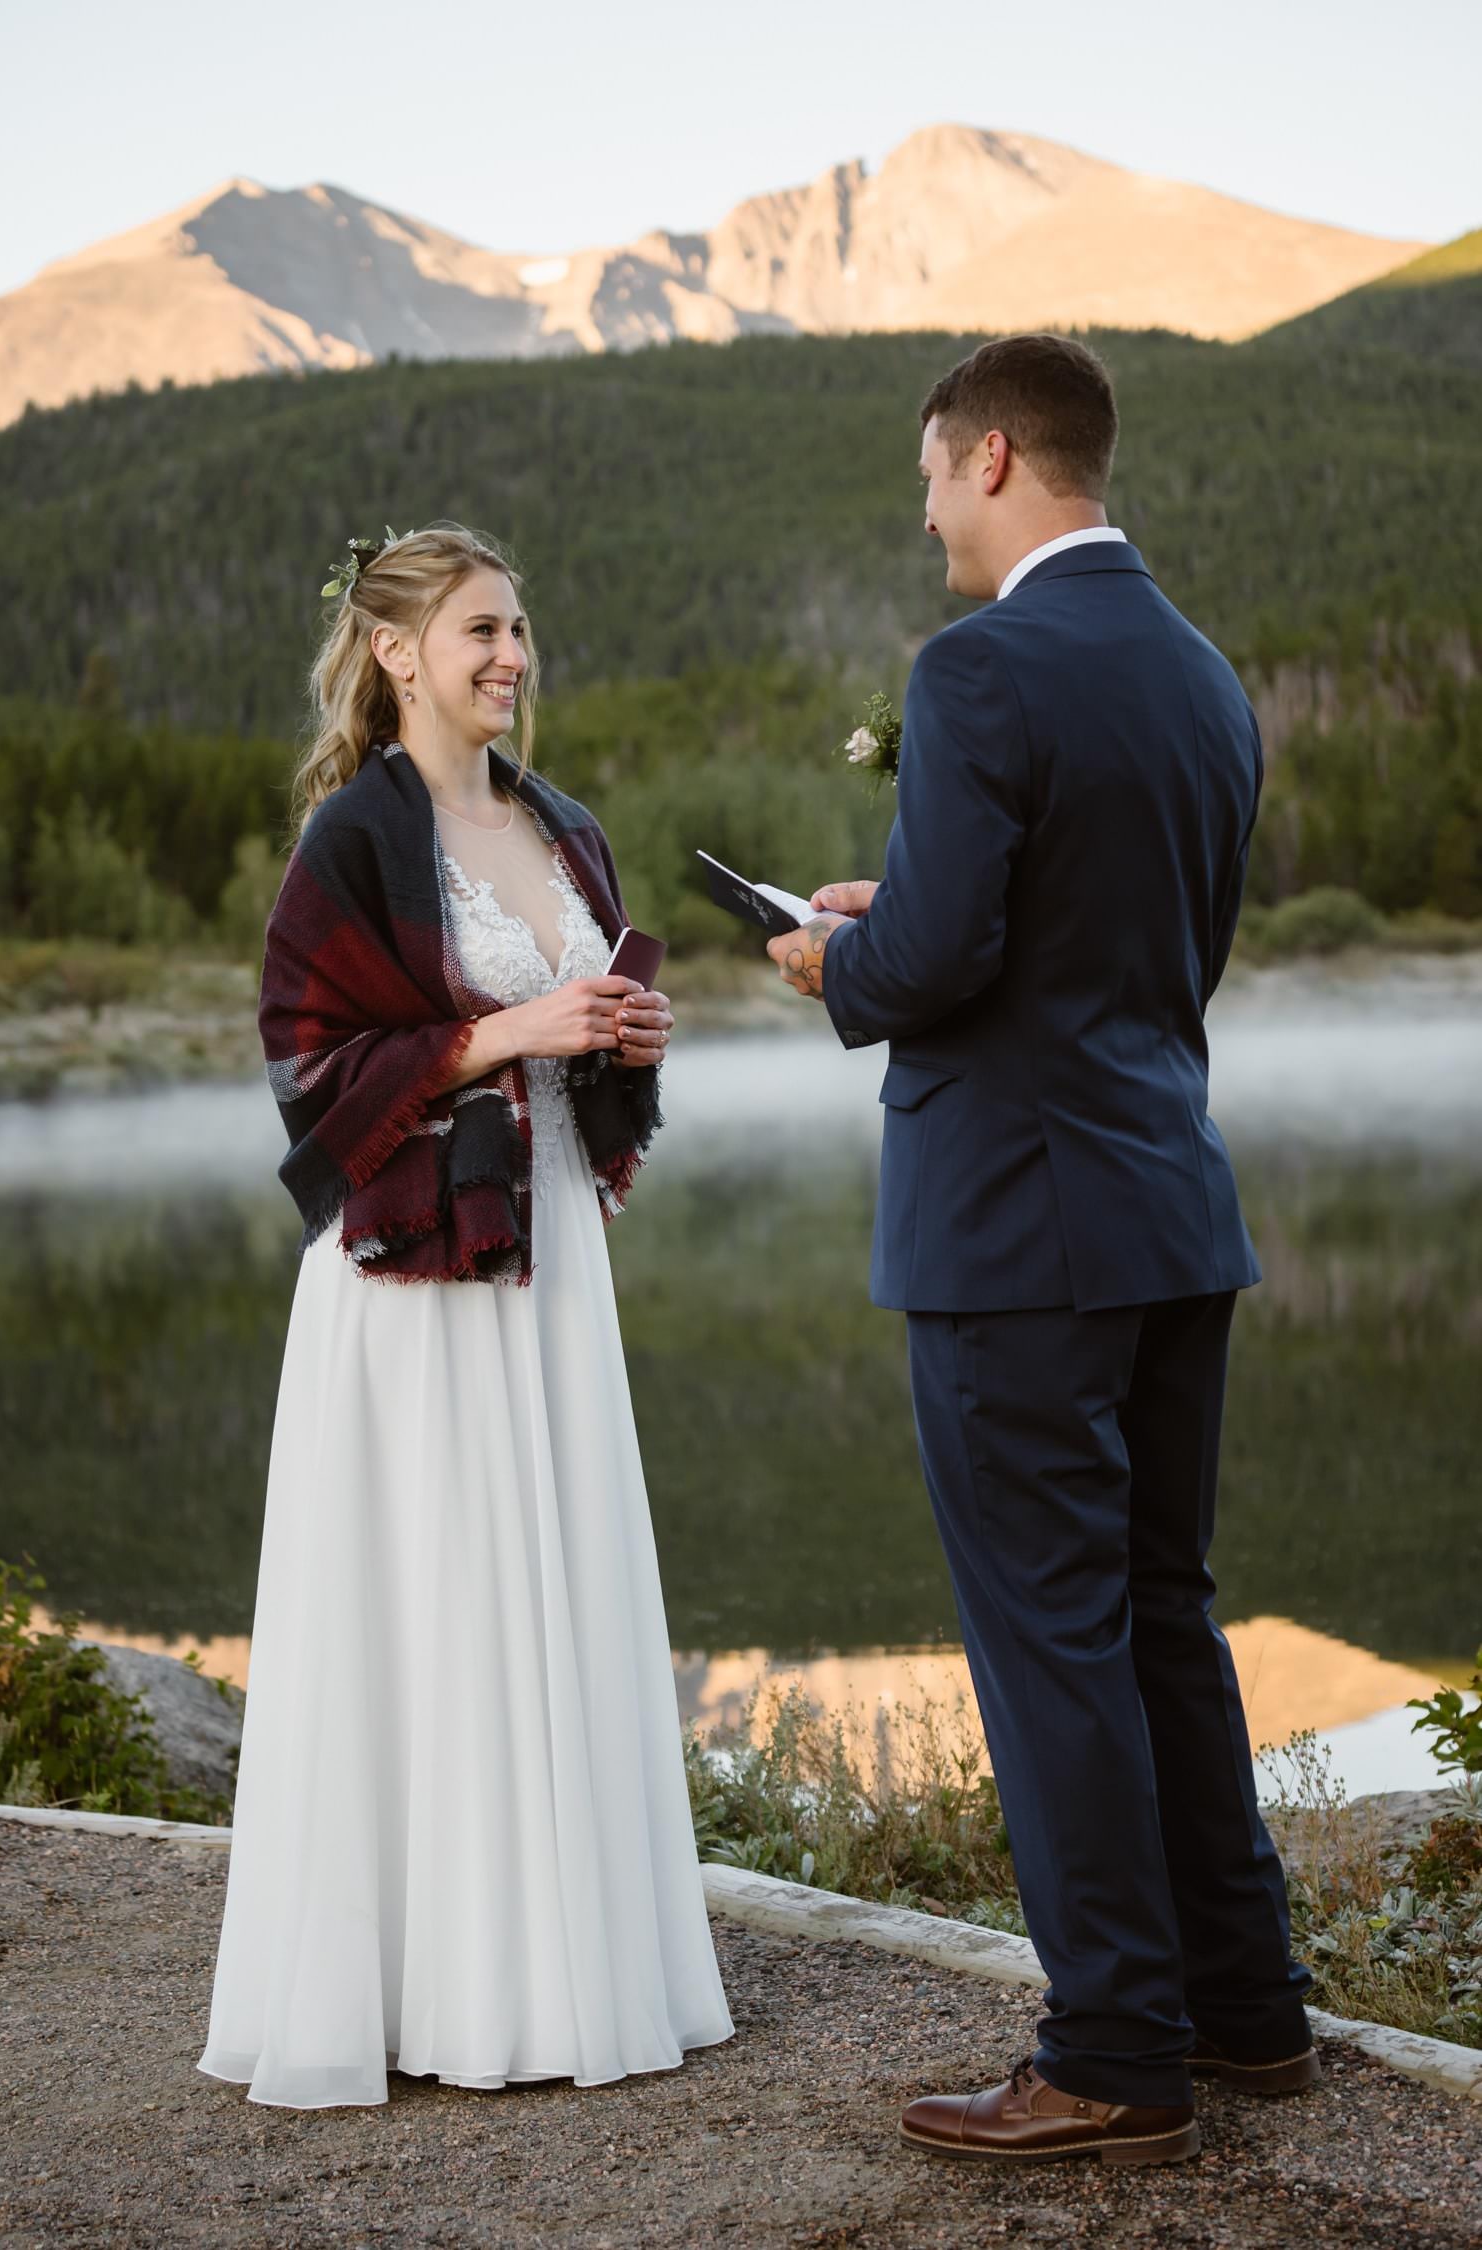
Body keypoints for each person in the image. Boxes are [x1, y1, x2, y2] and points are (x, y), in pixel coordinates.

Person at [767, 336, 1315, 2167]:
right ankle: (1243, 2012)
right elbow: (1126, 942)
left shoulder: (983, 663)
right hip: (1168, 1200)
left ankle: (1110, 2057)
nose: (924, 510)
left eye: (931, 473)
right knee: (1163, 1616)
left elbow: (928, 971)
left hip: (1014, 1233)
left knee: (1052, 1645)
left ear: (995, 456)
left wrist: (837, 952)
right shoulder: (1203, 671)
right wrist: (903, 896)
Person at [198, 521, 733, 2108]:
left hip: (549, 1248)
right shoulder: (350, 844)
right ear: (397, 652)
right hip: (415, 1292)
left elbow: (581, 1044)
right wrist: (502, 1033)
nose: (510, 655)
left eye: (520, 628)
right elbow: (309, 1070)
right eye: (481, 629)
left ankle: (559, 1963)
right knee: (429, 1599)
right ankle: (422, 1982)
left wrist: (623, 1028)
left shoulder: (565, 826)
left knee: (552, 1577)